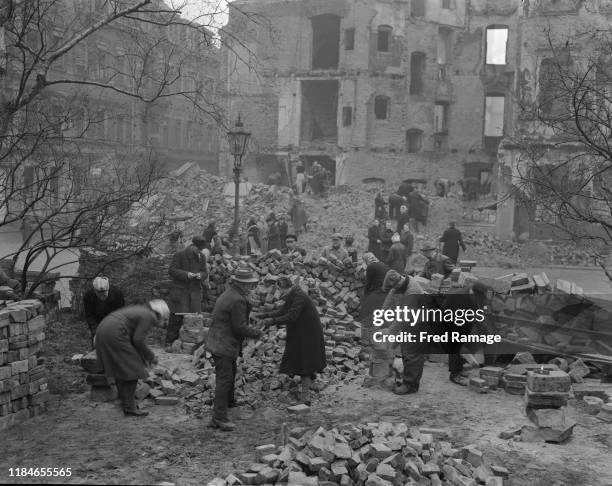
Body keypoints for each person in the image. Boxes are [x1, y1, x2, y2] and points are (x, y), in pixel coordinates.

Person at [206, 267, 262, 431]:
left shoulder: (229, 293)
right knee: (224, 380)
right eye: (248, 284)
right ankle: (219, 418)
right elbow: (239, 327)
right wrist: (257, 333)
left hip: (218, 341)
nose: (250, 287)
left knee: (230, 373)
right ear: (240, 284)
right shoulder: (237, 299)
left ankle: (229, 403)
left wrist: (249, 305)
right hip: (224, 343)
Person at [95, 299, 170, 417]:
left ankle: (123, 400)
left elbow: (134, 340)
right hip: (114, 333)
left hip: (103, 330)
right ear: (160, 313)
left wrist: (143, 355)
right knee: (134, 369)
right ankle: (130, 408)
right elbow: (138, 340)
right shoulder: (149, 316)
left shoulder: (142, 311)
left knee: (122, 367)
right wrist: (150, 356)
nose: (164, 322)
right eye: (164, 319)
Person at [260, 276, 326, 405]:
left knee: (304, 362)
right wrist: (265, 315)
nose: (280, 292)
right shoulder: (293, 294)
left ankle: (305, 397)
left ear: (286, 287)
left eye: (280, 289)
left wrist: (272, 321)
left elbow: (291, 316)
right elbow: (283, 310)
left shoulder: (299, 296)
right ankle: (312, 384)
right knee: (302, 359)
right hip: (301, 331)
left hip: (308, 333)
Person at [381, 271, 428, 395]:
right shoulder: (400, 283)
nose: (394, 289)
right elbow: (390, 297)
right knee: (405, 350)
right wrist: (380, 318)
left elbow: (403, 317)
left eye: (395, 287)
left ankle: (410, 385)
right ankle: (409, 381)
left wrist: (389, 332)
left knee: (412, 353)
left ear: (399, 282)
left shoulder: (412, 291)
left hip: (419, 322)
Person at [166, 236, 209, 345]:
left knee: (194, 319)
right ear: (193, 246)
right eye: (198, 249)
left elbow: (205, 272)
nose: (199, 251)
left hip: (194, 292)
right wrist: (186, 274)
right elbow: (172, 270)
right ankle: (170, 343)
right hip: (181, 291)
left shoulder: (202, 257)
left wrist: (200, 275)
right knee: (176, 318)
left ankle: (189, 345)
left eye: (201, 250)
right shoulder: (180, 255)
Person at [82, 276, 126, 349]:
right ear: (95, 291)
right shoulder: (88, 296)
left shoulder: (117, 294)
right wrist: (96, 332)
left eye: (104, 293)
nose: (102, 295)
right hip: (98, 322)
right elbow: (90, 316)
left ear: (108, 289)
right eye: (99, 293)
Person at [360, 253, 389, 347]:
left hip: (380, 291)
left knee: (371, 309)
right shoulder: (382, 264)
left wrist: (365, 295)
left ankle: (373, 334)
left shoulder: (371, 266)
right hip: (387, 291)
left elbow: (368, 282)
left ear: (366, 261)